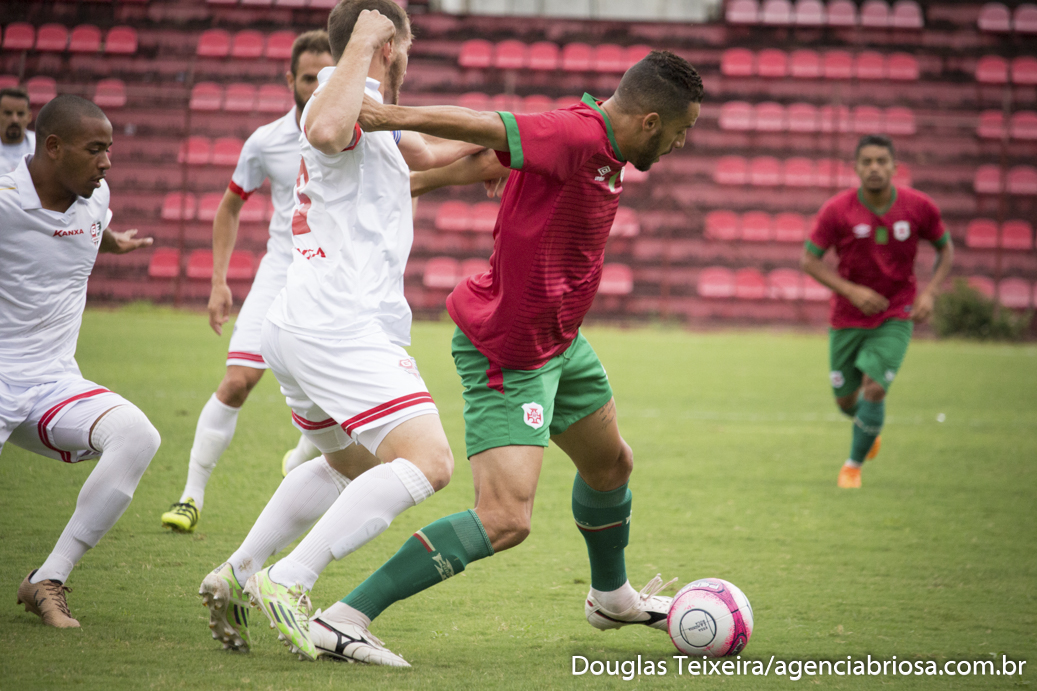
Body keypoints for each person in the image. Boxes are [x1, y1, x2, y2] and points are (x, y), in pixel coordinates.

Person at [284, 49, 703, 666]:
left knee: (612, 466)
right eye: (680, 130)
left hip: (563, 343)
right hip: (510, 352)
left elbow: (493, 157)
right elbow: (487, 126)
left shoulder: (601, 146)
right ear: (649, 122)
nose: (680, 143)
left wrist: (417, 183)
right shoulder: (575, 132)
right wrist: (380, 116)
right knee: (505, 518)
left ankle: (611, 597)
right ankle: (343, 618)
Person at [198, 0, 481, 661]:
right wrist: (365, 37)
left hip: (305, 318)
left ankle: (238, 572)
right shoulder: (338, 94)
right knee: (429, 462)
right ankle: (290, 579)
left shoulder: (370, 111)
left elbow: (427, 151)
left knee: (347, 464)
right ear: (390, 44)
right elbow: (325, 130)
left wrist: (511, 142)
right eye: (399, 43)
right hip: (338, 321)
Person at [160, 32, 336, 533]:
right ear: (291, 81)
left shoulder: (356, 133)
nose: (318, 86)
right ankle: (191, 496)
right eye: (308, 77)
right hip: (281, 270)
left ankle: (301, 455)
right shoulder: (266, 142)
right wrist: (219, 281)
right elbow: (230, 206)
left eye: (328, 76)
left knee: (334, 395)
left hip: (331, 280)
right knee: (238, 381)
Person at [1, 95, 160, 628]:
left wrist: (112, 243)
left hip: (51, 383)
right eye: (95, 150)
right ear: (53, 147)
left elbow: (88, 233)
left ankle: (48, 578)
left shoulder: (95, 197)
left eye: (109, 150)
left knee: (138, 435)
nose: (107, 162)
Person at [802, 134, 953, 488]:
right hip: (846, 317)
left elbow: (946, 250)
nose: (874, 168)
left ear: (894, 167)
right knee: (845, 400)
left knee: (874, 388)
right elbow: (808, 260)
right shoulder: (836, 210)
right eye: (866, 162)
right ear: (855, 168)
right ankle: (868, 428)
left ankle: (852, 467)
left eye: (881, 161)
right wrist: (852, 291)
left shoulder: (919, 207)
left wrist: (930, 293)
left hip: (895, 314)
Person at [1, 87, 35, 174]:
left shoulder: (41, 147)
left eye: (20, 114)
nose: (15, 119)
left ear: (29, 116)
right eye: (8, 113)